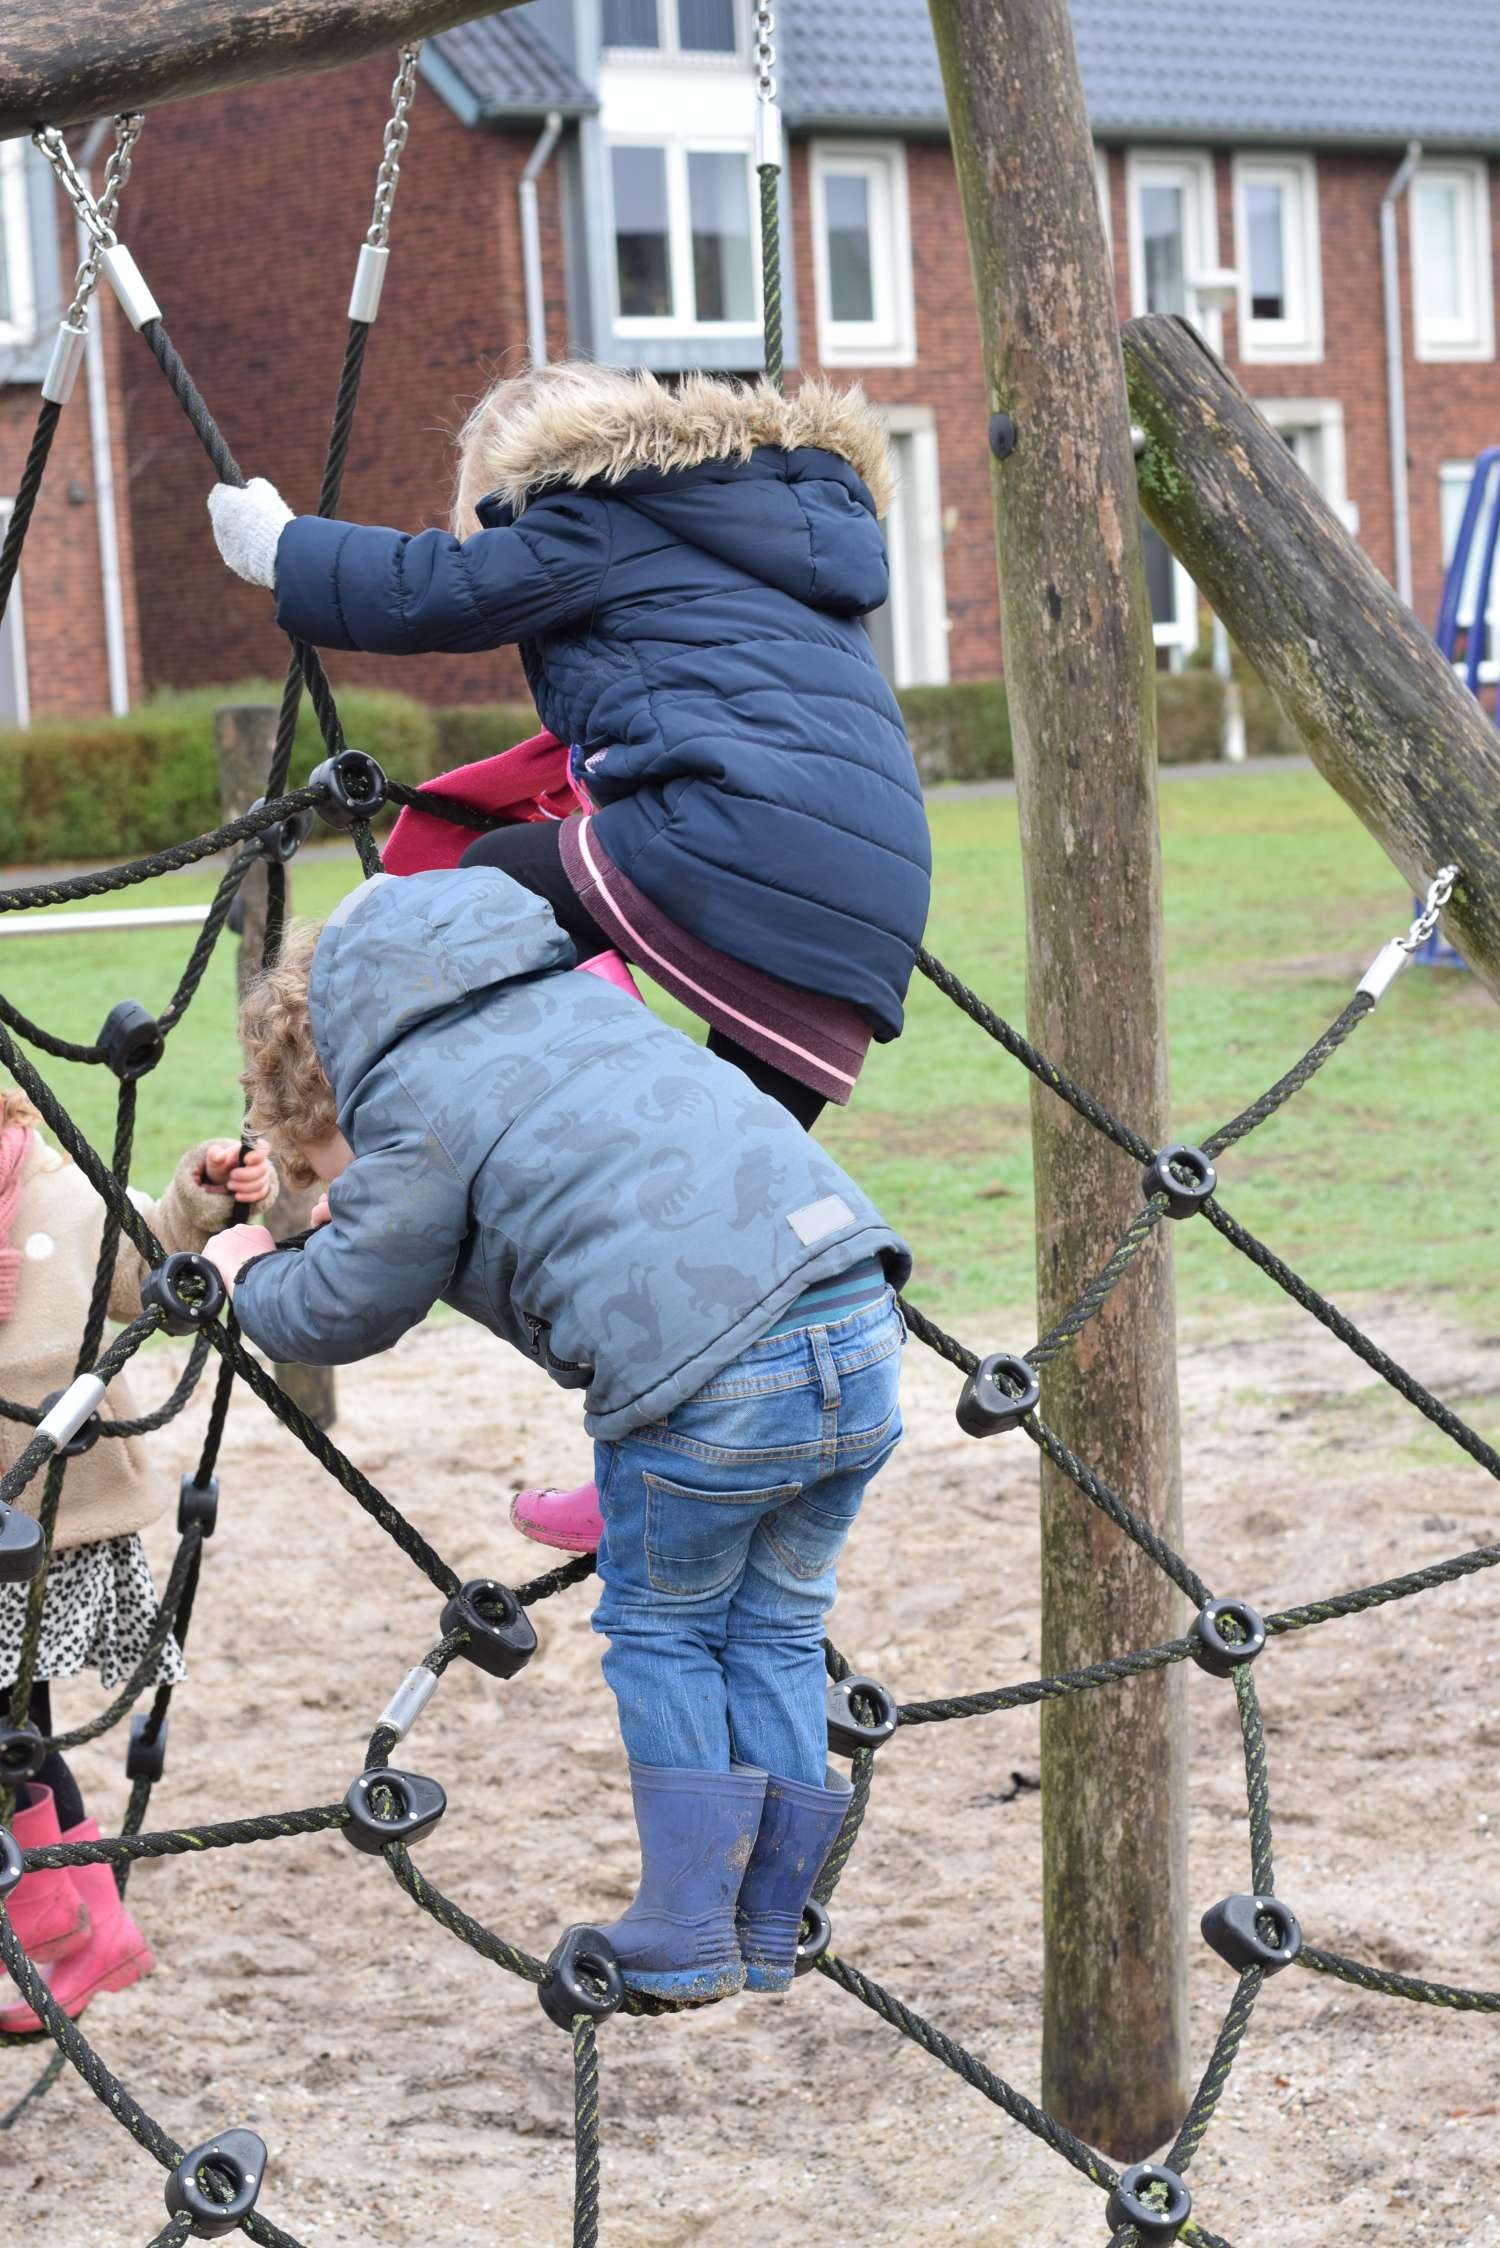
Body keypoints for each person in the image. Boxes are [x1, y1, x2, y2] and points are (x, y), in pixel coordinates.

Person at [205, 361, 932, 1557]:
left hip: (722, 847)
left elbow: (421, 596)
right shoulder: (773, 524)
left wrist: (282, 551)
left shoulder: (593, 506)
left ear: (517, 475)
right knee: (706, 1221)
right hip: (863, 910)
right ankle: (643, 1468)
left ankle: (392, 1159)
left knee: (462, 916)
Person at [209, 869, 907, 2000]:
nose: (332, 1197)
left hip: (713, 1380)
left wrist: (248, 1265)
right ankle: (770, 1916)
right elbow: (607, 1191)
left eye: (327, 1175)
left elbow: (348, 1306)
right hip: (859, 1315)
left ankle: (688, 1927)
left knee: (664, 1631)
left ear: (331, 1094)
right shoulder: (578, 997)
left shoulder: (405, 1096)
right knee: (776, 1626)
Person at [0, 1091, 273, 2032]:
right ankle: (87, 1925)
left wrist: (202, 1197)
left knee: (10, 1727)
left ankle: (54, 1921)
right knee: (15, 1724)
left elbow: (147, 1253)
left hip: (48, 1522)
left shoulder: (53, 1193)